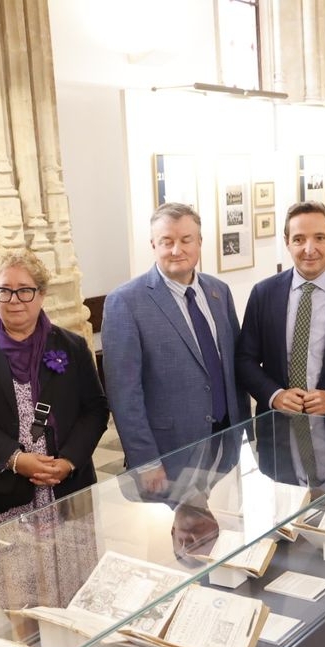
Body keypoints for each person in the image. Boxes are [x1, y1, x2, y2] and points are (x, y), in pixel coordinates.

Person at [0, 248, 108, 536]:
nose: (14, 300)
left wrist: (69, 461)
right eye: (4, 291)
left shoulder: (71, 346)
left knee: (71, 569)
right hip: (0, 488)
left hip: (63, 484)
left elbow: (95, 409)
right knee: (11, 577)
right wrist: (15, 459)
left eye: (25, 291)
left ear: (41, 294)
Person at [103, 202, 248, 493]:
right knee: (178, 534)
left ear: (200, 242)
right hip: (171, 452)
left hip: (226, 441)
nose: (176, 250)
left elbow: (233, 368)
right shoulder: (126, 302)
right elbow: (124, 394)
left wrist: (243, 434)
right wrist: (146, 461)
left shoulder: (219, 291)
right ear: (153, 244)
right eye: (167, 242)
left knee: (228, 525)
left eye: (186, 240)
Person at [236, 201, 325, 492]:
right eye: (299, 239)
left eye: (319, 238)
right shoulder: (264, 294)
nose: (309, 248)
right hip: (279, 433)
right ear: (287, 243)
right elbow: (245, 359)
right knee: (284, 528)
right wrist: (274, 395)